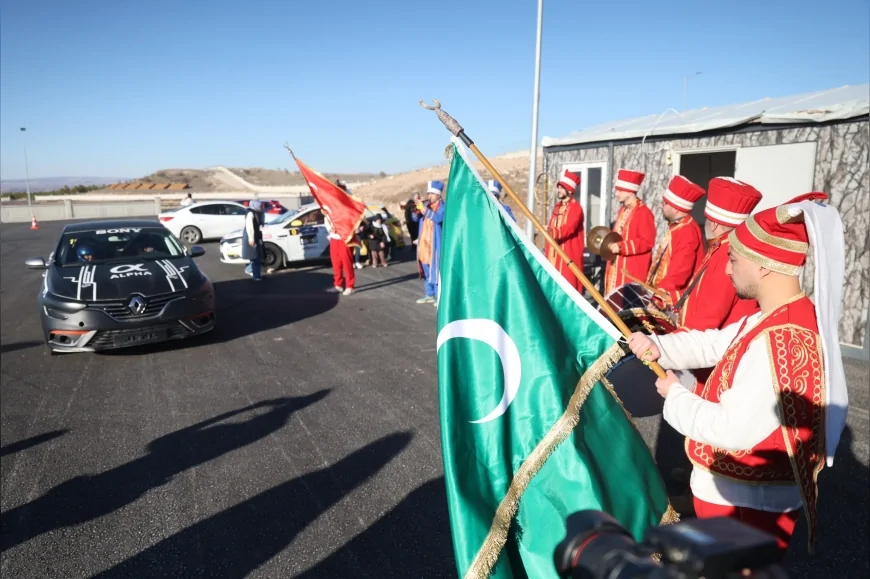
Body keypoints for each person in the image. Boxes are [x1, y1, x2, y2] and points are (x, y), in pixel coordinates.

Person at [626, 192, 847, 559]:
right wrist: (658, 346)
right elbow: (715, 343)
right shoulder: (775, 315)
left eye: (733, 259)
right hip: (738, 493)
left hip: (746, 503)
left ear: (764, 266)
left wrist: (675, 394)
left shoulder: (781, 338)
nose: (727, 269)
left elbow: (731, 428)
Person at [647, 176, 705, 310]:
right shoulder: (678, 226)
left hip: (676, 302)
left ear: (676, 208)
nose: (661, 206)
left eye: (665, 203)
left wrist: (660, 297)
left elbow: (679, 271)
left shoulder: (687, 230)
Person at [604, 169, 656, 295]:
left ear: (630, 191)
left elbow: (647, 242)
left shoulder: (643, 212)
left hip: (630, 271)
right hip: (616, 269)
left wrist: (621, 247)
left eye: (620, 190)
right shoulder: (622, 211)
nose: (616, 194)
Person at [544, 170, 584, 291]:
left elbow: (569, 229)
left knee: (567, 287)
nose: (559, 190)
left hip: (567, 254)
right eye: (559, 187)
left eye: (562, 188)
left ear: (570, 190)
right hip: (553, 255)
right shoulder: (557, 207)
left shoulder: (576, 208)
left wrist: (551, 231)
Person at [414, 180, 445, 305]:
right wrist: (416, 209)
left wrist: (424, 209)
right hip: (423, 243)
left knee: (436, 272)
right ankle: (429, 294)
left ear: (438, 195)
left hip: (435, 244)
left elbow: (438, 218)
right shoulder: (427, 205)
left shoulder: (443, 207)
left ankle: (439, 297)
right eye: (428, 193)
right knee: (426, 271)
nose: (429, 196)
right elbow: (414, 218)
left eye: (431, 194)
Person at [325, 213, 355, 295]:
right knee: (336, 263)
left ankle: (350, 286)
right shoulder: (330, 210)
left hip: (344, 238)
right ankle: (338, 285)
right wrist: (330, 229)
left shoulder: (346, 210)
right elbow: (326, 219)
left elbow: (351, 221)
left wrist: (340, 229)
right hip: (334, 238)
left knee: (347, 263)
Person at [242, 200, 264, 281]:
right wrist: (251, 238)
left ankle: (251, 270)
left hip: (255, 236)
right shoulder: (251, 213)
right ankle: (256, 275)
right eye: (260, 206)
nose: (261, 207)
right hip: (251, 237)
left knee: (255, 256)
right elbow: (250, 227)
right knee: (255, 256)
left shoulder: (256, 213)